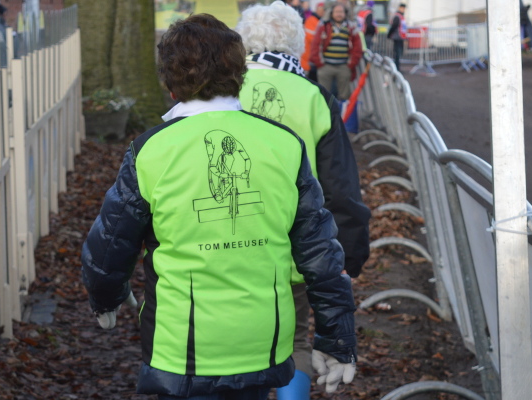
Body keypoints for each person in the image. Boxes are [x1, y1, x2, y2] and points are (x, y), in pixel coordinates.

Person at [80, 13, 357, 400]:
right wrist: (337, 335)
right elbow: (319, 251)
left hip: (182, 349)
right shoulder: (284, 144)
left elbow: (112, 242)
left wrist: (105, 293)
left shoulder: (151, 150)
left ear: (170, 83)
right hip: (263, 342)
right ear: (239, 73)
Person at [235, 2, 370, 399]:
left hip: (229, 237)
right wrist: (350, 253)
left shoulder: (221, 92)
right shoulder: (314, 98)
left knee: (238, 343)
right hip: (297, 246)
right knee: (291, 341)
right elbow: (339, 185)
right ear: (297, 43)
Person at [311, 2, 362, 100]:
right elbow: (315, 45)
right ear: (331, 13)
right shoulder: (324, 26)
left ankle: (343, 114)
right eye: (337, 12)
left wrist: (351, 64)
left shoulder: (351, 27)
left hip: (344, 67)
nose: (339, 14)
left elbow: (357, 48)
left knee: (344, 95)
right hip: (325, 66)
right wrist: (319, 63)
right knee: (323, 95)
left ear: (345, 13)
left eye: (341, 12)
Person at [302, 0, 326, 80]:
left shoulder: (320, 21)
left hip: (313, 58)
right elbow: (312, 39)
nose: (323, 12)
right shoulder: (312, 21)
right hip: (309, 58)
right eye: (322, 10)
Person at [386, 3, 407, 71]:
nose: (403, 10)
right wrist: (389, 35)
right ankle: (396, 69)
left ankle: (397, 68)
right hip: (397, 37)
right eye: (402, 8)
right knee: (397, 54)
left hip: (400, 37)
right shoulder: (398, 16)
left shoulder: (400, 16)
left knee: (398, 53)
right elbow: (394, 26)